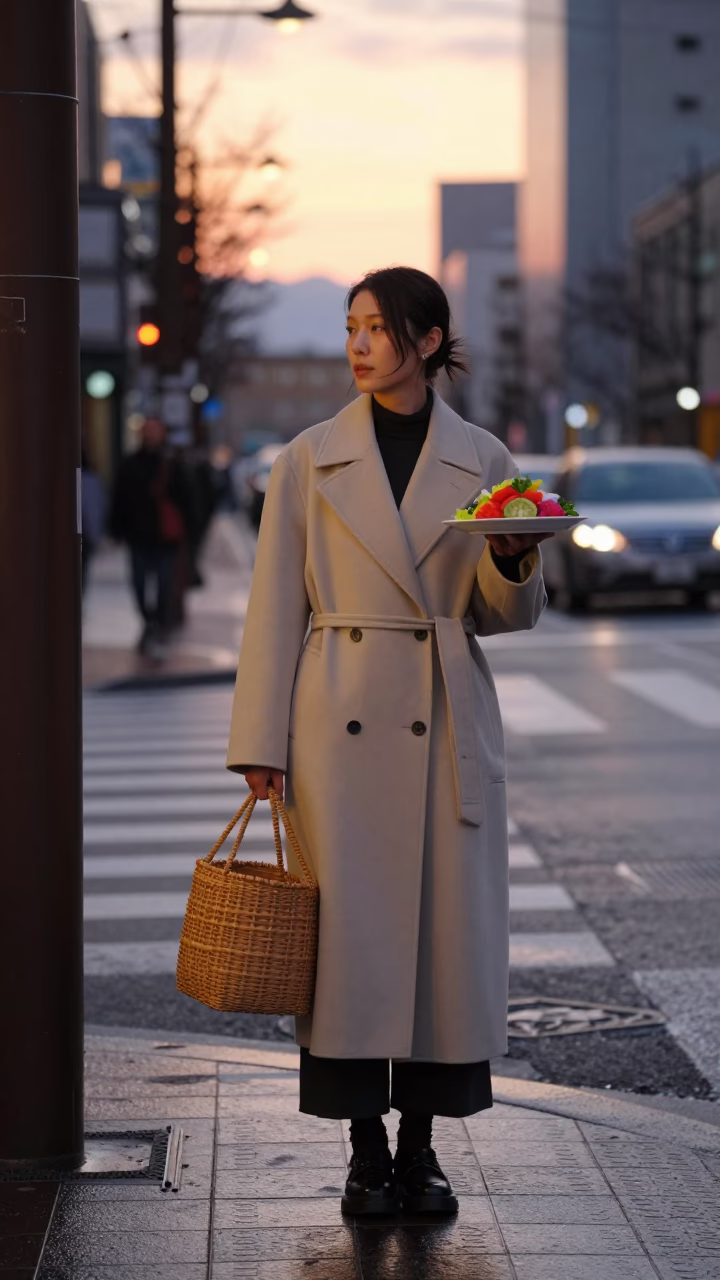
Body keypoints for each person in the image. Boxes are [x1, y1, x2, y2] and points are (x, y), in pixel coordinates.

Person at [227, 266, 549, 1217]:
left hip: (444, 705)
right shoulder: (307, 457)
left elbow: (506, 613)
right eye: (351, 326)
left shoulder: (485, 458)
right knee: (350, 951)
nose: (358, 344)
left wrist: (514, 557)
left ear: (427, 340)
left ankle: (423, 1149)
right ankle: (366, 1152)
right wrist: (262, 741)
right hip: (339, 724)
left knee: (439, 951)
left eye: (378, 328)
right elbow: (273, 607)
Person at [109, 418, 194, 654]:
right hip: (138, 536)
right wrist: (117, 529)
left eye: (155, 431)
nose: (151, 436)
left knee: (164, 585)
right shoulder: (130, 464)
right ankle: (149, 622)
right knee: (138, 584)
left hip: (165, 537)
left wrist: (187, 529)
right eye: (147, 431)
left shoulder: (171, 464)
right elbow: (120, 497)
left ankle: (156, 624)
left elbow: (186, 499)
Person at [80, 448, 106, 593]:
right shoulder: (92, 479)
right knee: (81, 567)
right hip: (86, 532)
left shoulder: (89, 479)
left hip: (83, 531)